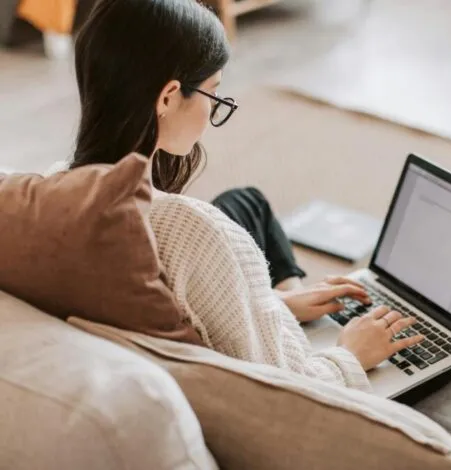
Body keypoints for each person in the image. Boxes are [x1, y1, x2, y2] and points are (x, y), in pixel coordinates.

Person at [68, 0, 425, 391]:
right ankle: (293, 312)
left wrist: (273, 307)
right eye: (213, 94)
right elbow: (291, 390)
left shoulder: (54, 188)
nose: (213, 111)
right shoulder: (196, 231)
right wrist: (352, 353)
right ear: (168, 97)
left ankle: (288, 299)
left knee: (246, 201)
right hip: (295, 369)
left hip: (232, 295)